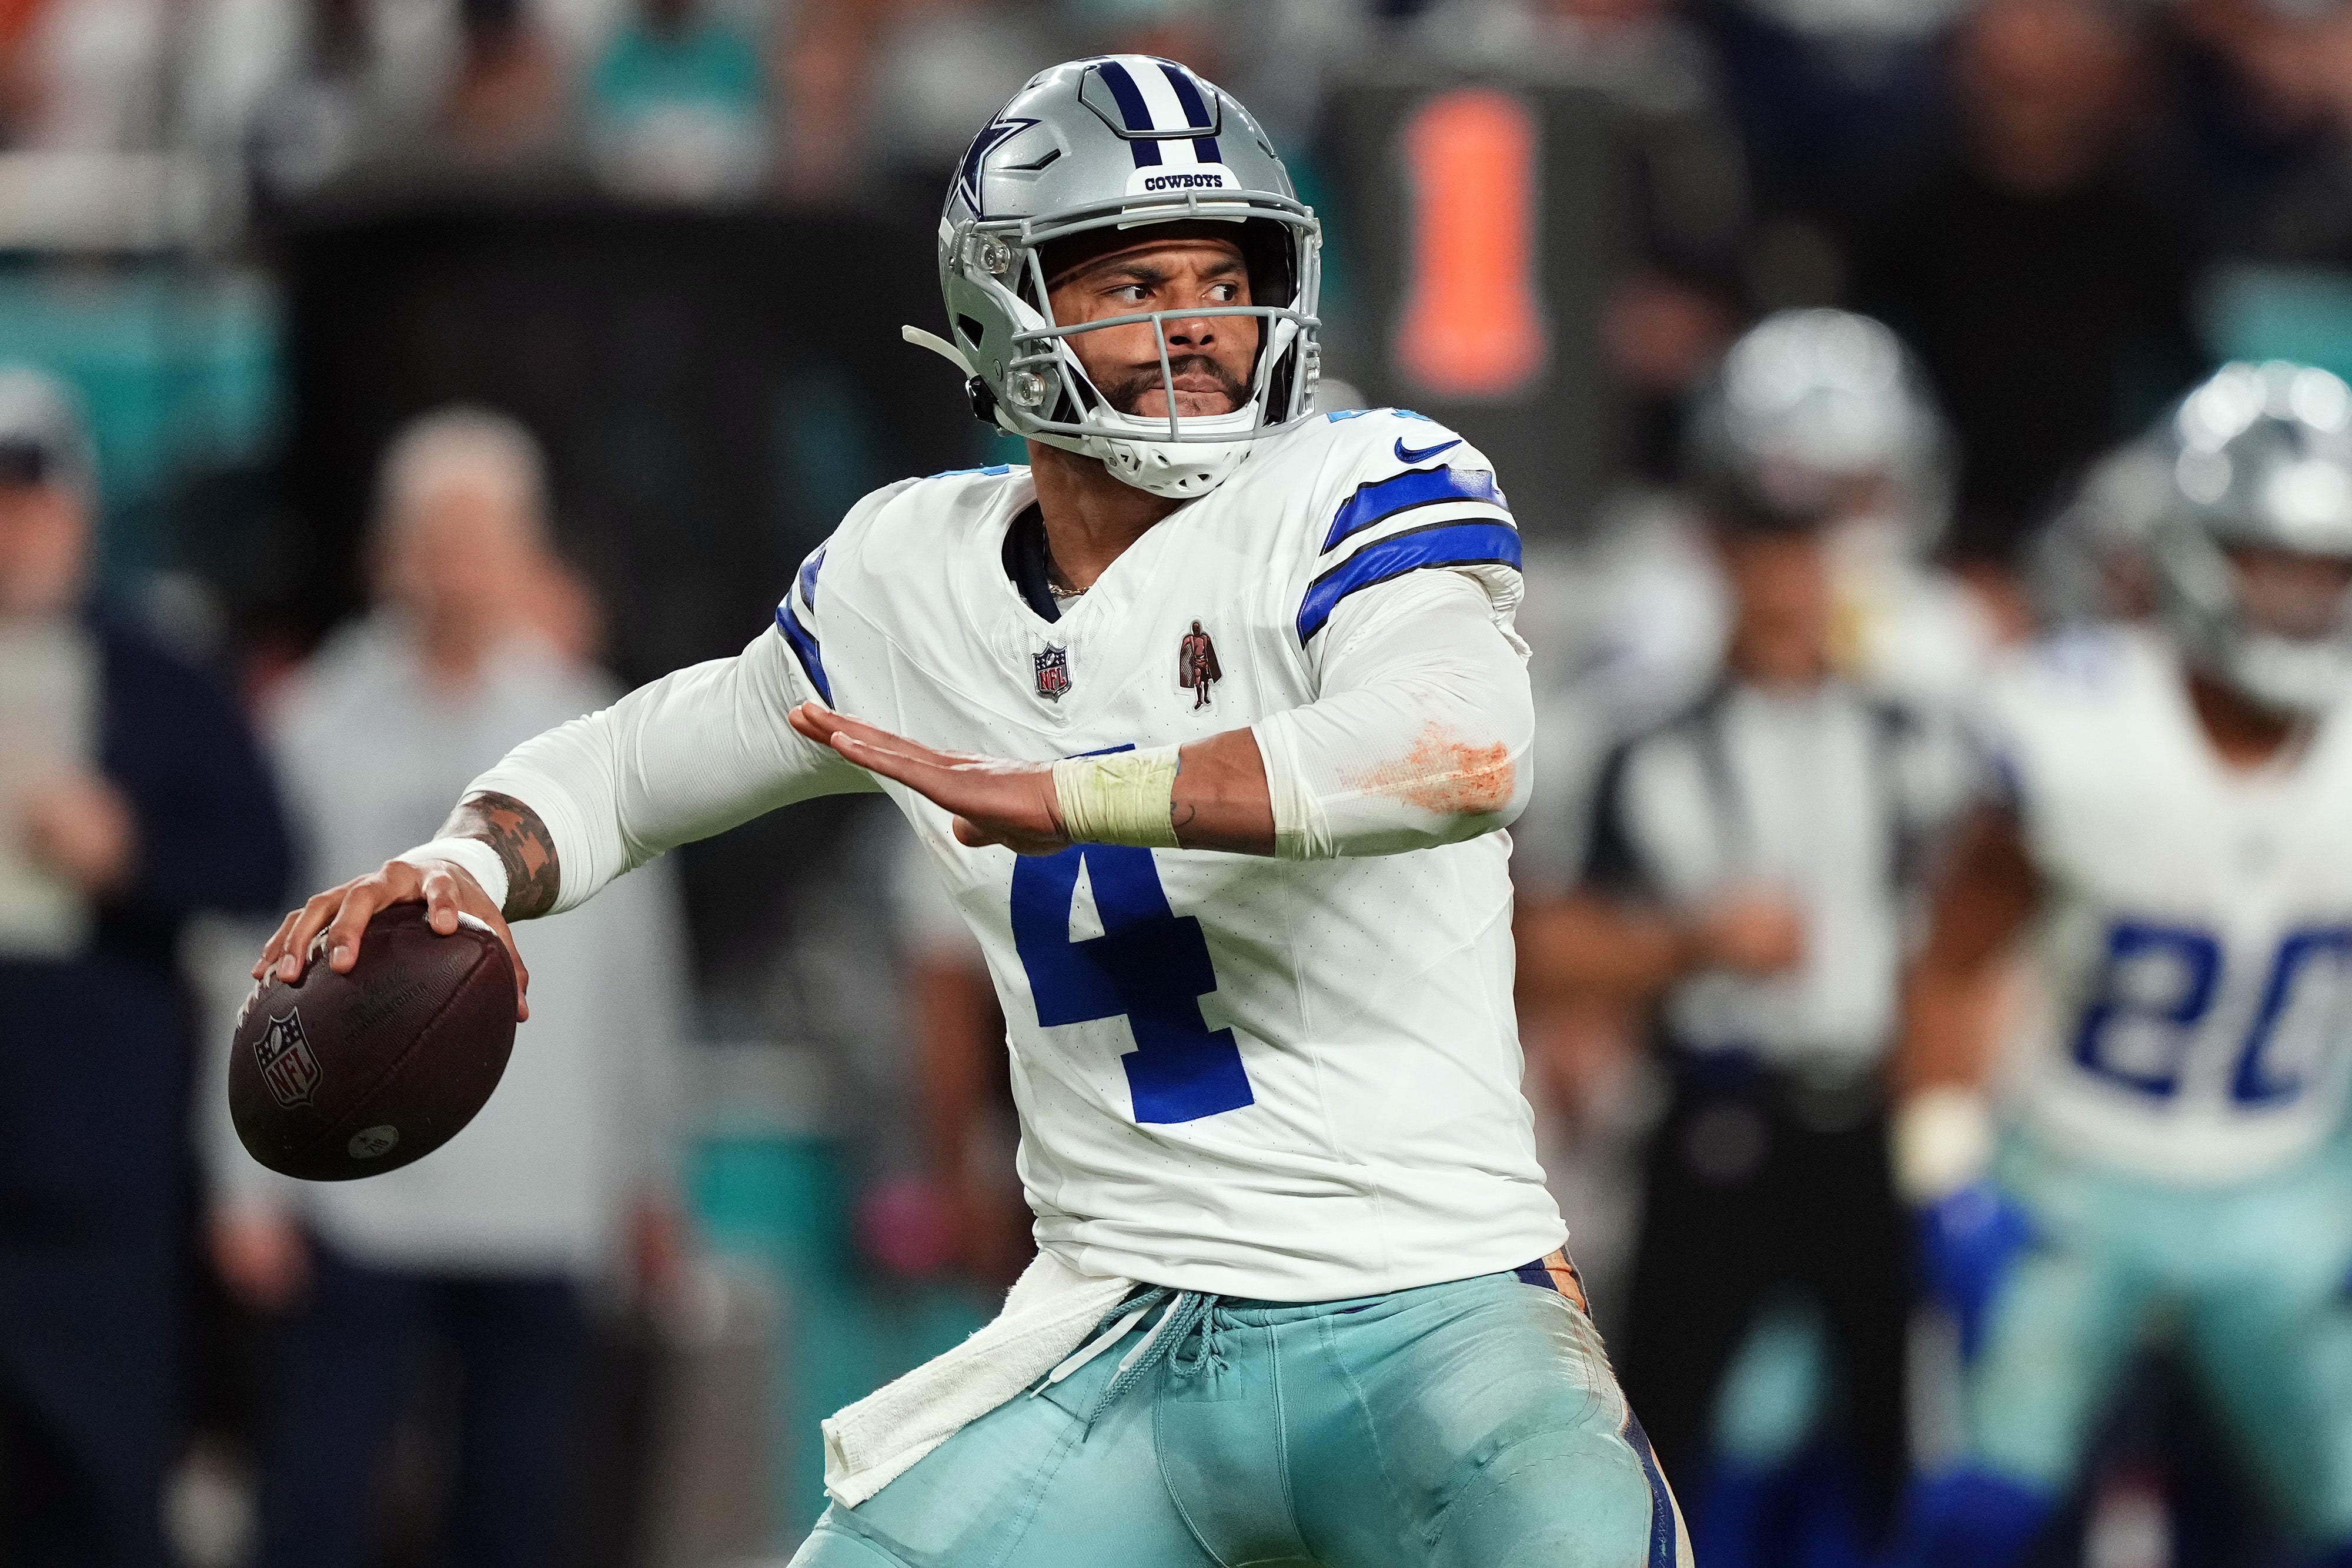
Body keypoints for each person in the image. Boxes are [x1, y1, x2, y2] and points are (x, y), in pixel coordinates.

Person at [253, 56, 1695, 1566]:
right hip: (1119, 1341)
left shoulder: (1355, 485)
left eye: (1224, 273)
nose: (1198, 321)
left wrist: (1081, 796)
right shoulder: (908, 575)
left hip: (1432, 1316)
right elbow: (645, 758)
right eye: (1137, 278)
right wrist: (464, 861)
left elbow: (1460, 747)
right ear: (1008, 309)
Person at [1518, 312, 1975, 1562]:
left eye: (1808, 537)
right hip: (1713, 1113)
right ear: (1718, 545)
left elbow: (1971, 937)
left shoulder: (1921, 726)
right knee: (1656, 1439)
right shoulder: (1640, 736)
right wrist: (1683, 949)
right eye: (1762, 538)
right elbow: (1535, 945)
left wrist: (1951, 1119)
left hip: (1871, 1120)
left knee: (1901, 1445)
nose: (1787, 570)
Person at [1885, 360, 2352, 1566]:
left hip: (2284, 1188)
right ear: (2193, 553)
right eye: (2269, 560)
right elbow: (1949, 961)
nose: (2301, 599)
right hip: (2074, 1181)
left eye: (2325, 567)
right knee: (1979, 1522)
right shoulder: (2075, 725)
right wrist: (1946, 1177)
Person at [206, 408, 689, 1568]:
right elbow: (246, 952)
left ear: (529, 554)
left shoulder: (591, 720)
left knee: (519, 1500)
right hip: (354, 1188)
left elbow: (640, 971)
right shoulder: (314, 723)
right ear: (393, 549)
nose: (459, 565)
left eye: (485, 538)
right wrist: (242, 1175)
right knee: (317, 1490)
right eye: (439, 535)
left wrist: (649, 1170)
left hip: (541, 1190)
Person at [0, 365, 292, 1567]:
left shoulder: (159, 675)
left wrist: (128, 851)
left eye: (29, 497)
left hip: (94, 1171)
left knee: (103, 1474)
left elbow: (259, 855)